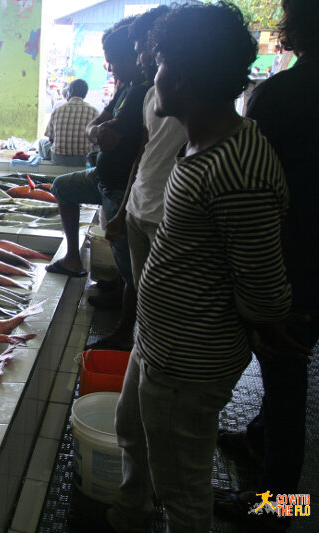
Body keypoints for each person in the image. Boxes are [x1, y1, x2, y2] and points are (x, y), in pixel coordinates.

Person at [104, 3, 307, 532]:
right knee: (133, 430)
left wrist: (272, 320)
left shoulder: (238, 162)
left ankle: (282, 507)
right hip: (160, 340)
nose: (154, 71)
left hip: (189, 358)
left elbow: (261, 283)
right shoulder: (198, 147)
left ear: (188, 75)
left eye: (163, 61)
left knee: (184, 489)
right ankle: (131, 512)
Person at [214, 1, 319, 530]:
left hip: (293, 263)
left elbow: (251, 196)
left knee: (286, 378)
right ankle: (256, 438)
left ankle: (279, 506)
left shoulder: (280, 96)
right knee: (285, 380)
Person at [45, 17, 147, 330]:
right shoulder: (125, 88)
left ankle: (125, 330)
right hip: (101, 177)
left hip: (119, 187)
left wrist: (100, 131)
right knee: (62, 187)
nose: (110, 68)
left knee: (128, 261)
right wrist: (98, 130)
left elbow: (120, 141)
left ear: (135, 56)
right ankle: (73, 258)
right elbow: (97, 128)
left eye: (114, 61)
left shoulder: (145, 91)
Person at [97, 6, 187, 351]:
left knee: (162, 295)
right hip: (139, 206)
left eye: (146, 52)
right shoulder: (151, 96)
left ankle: (152, 345)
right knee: (135, 280)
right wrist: (123, 209)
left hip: (169, 215)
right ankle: (128, 336)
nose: (142, 60)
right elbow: (144, 153)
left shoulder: (191, 106)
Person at [42, 79, 98, 166]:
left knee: (42, 142)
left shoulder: (58, 110)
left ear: (70, 91)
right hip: (83, 160)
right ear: (85, 94)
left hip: (59, 159)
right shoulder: (94, 111)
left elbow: (51, 138)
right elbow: (96, 139)